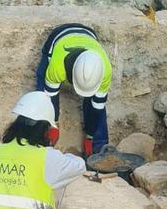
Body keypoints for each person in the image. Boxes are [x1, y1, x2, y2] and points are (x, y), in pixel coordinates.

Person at [36, 23, 112, 157]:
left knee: (96, 107)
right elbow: (49, 99)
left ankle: (99, 149)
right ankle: (41, 143)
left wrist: (90, 136)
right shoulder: (57, 67)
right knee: (42, 93)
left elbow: (97, 108)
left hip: (89, 35)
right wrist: (53, 124)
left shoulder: (104, 70)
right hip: (57, 37)